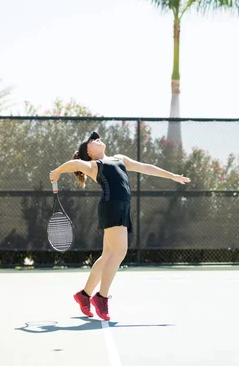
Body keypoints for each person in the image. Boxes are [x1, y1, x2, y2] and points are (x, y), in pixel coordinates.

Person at [49, 131, 190, 320]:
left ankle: (84, 295)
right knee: (119, 252)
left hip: (121, 207)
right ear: (89, 152)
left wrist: (171, 176)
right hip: (111, 206)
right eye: (91, 141)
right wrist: (57, 171)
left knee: (108, 255)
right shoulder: (93, 165)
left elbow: (145, 167)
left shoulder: (119, 159)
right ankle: (101, 297)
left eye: (96, 138)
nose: (96, 139)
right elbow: (74, 164)